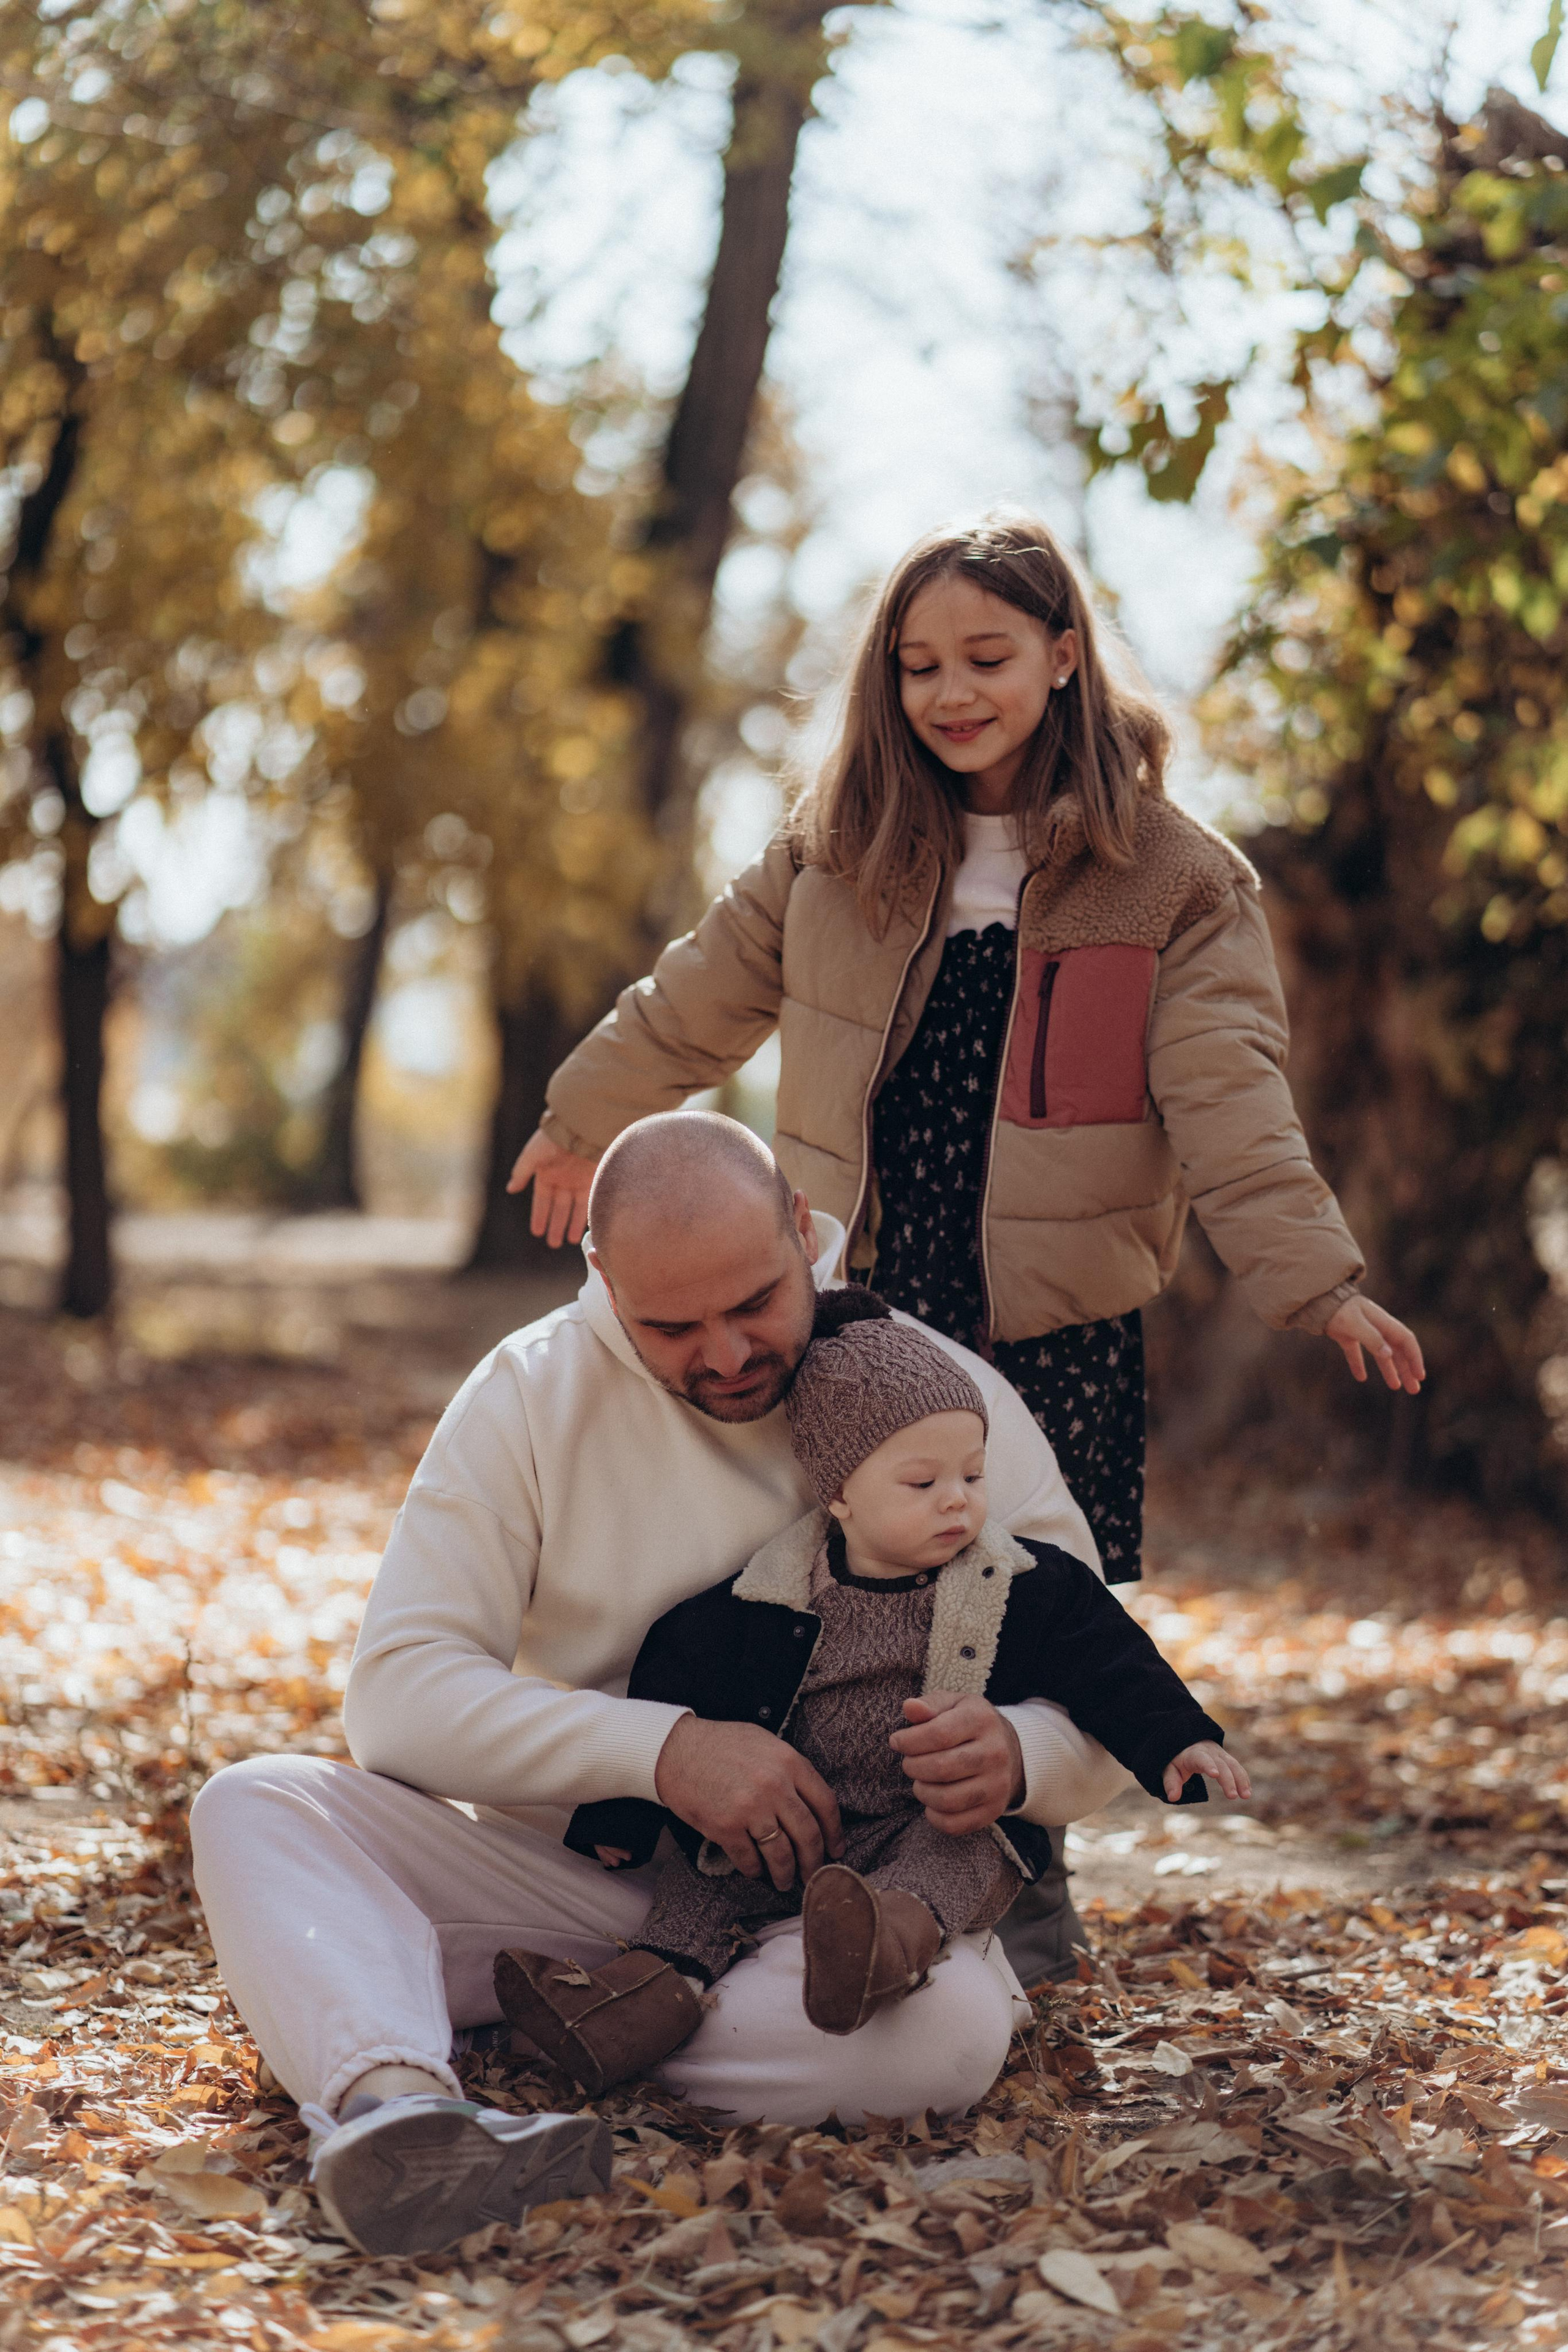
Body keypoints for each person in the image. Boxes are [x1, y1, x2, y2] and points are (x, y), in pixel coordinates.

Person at [505, 511, 1425, 1978]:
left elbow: (1229, 1098)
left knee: (1026, 1607)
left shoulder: (1173, 884)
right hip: (862, 1305)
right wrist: (579, 1116)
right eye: (920, 663)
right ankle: (792, 1867)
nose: (951, 693)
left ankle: (1014, 1883)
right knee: (839, 1592)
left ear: (1063, 657)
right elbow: (695, 997)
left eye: (986, 656)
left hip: (1051, 1325)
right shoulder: (837, 851)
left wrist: (1317, 1282)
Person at [189, 1113, 1129, 2260]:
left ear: (804, 1232)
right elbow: (399, 1696)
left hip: (844, 1920)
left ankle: (549, 2031)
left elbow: (1112, 1689)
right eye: (673, 1325)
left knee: (944, 2033)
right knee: (256, 1807)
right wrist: (666, 1751)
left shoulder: (943, 1395)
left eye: (753, 1304)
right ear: (601, 1277)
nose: (726, 1353)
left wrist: (1025, 1750)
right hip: (578, 1890)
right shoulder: (529, 1393)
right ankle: (400, 2106)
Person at [492, 1289, 1248, 2097]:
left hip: (924, 1817)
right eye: (922, 1482)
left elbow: (1108, 1660)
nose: (958, 1499)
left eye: (973, 1473)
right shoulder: (764, 1597)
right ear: (840, 1493)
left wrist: (1177, 1738)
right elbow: (675, 1687)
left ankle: (875, 1949)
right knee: (703, 1888)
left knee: (956, 1848)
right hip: (794, 1824)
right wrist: (622, 1818)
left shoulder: (1022, 1584)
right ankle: (628, 2007)